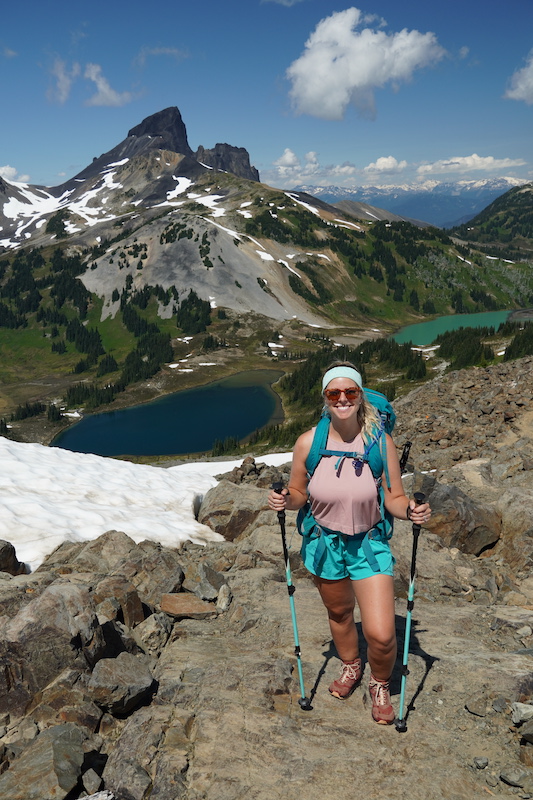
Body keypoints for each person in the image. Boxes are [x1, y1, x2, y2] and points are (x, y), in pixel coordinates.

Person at [268, 361, 431, 724]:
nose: (342, 399)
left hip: (368, 545)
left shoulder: (379, 442)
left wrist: (411, 511)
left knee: (383, 635)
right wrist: (285, 500)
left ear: (360, 396)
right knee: (340, 614)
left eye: (350, 392)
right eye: (334, 393)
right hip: (324, 542)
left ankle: (379, 682)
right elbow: (298, 491)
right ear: (325, 398)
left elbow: (393, 498)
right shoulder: (309, 442)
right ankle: (350, 666)